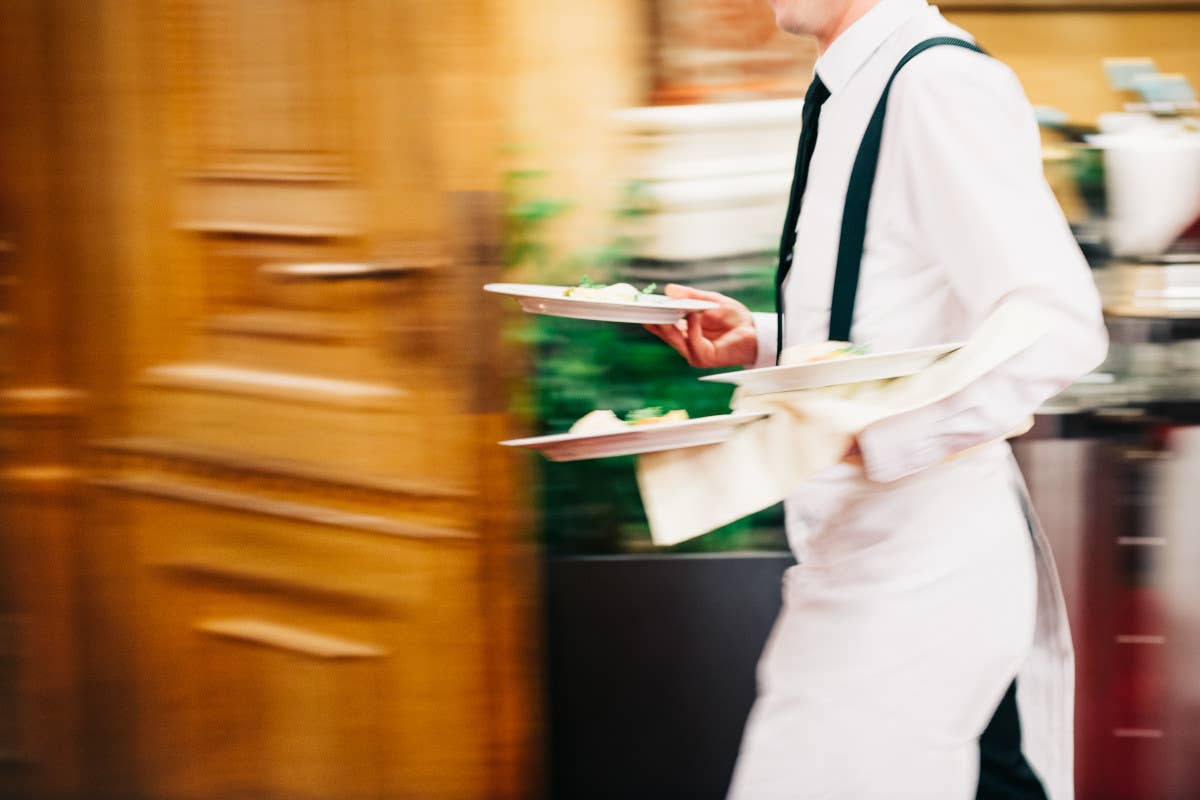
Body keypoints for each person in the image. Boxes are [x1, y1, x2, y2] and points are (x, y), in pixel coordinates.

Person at [645, 0, 1109, 797]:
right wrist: (762, 340)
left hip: (922, 569)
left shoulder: (937, 85)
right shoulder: (856, 87)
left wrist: (877, 435)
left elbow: (1057, 326)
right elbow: (891, 316)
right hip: (864, 556)